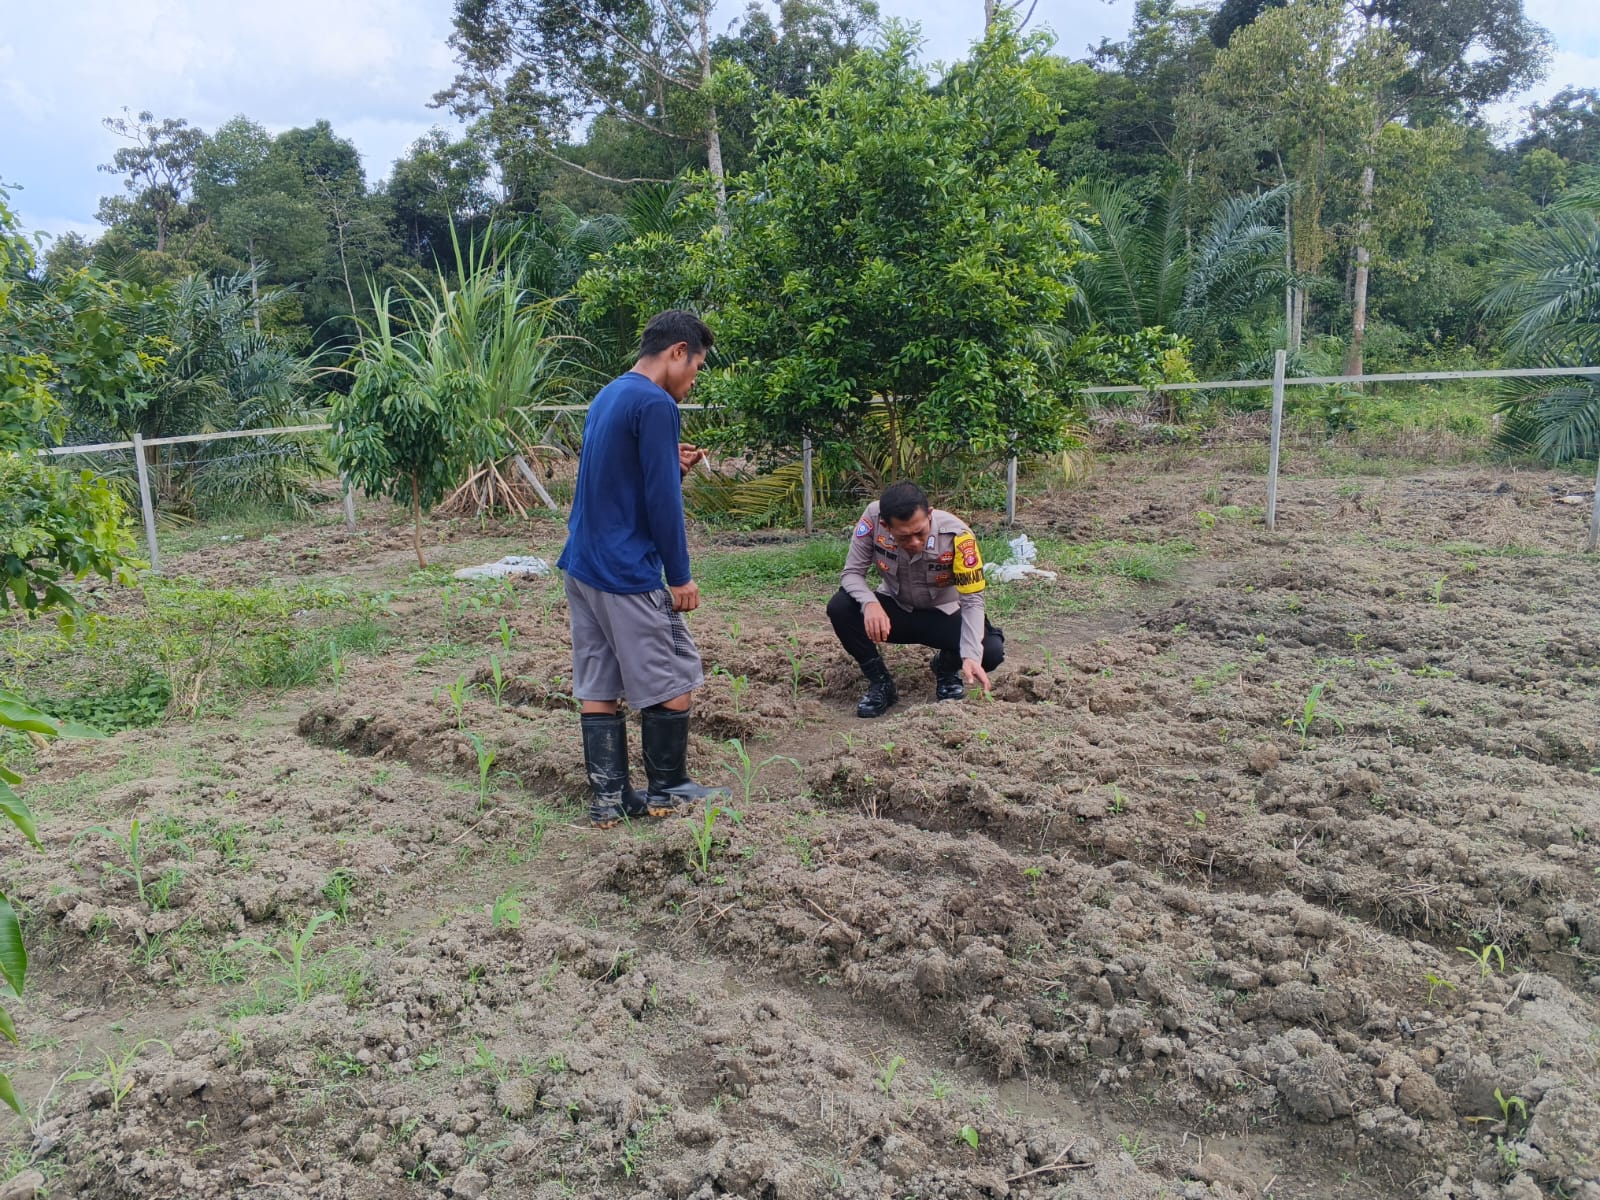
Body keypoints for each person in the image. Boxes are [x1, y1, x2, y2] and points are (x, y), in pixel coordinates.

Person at [556, 310, 729, 828]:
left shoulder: (610, 393)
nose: (693, 379)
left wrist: (667, 463)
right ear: (677, 351)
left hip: (582, 563)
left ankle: (609, 799)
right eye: (696, 367)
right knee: (674, 676)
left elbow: (618, 473)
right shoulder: (656, 404)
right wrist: (679, 575)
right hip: (626, 570)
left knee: (599, 683)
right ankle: (668, 787)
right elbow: (660, 501)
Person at [826, 481, 1005, 718]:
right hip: (895, 610)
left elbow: (972, 601)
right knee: (841, 607)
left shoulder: (958, 535)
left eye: (920, 532)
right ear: (885, 526)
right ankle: (881, 684)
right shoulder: (872, 519)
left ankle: (945, 668)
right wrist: (870, 603)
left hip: (943, 615)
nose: (914, 543)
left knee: (990, 651)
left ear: (930, 515)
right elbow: (851, 573)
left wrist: (971, 655)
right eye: (904, 537)